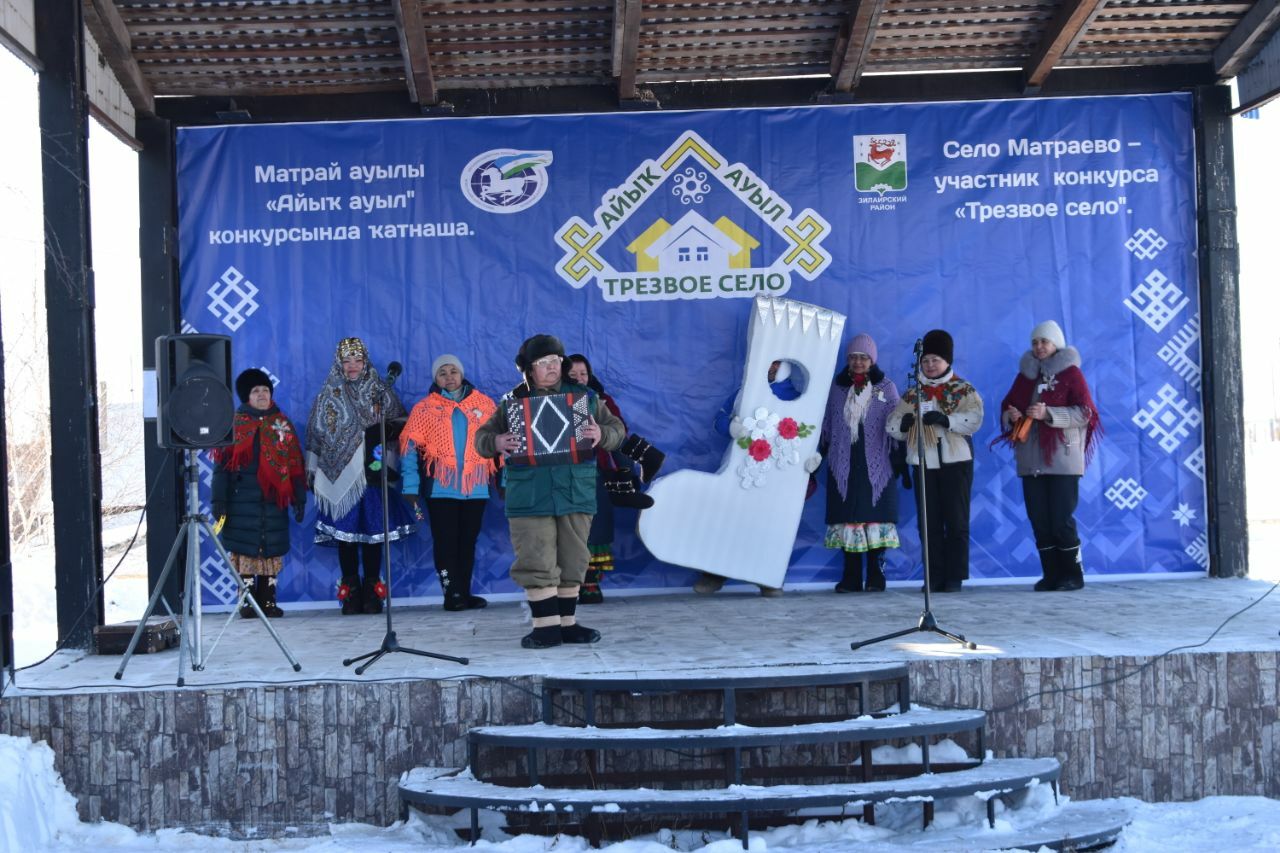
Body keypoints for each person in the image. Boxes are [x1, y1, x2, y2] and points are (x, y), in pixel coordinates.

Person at [474, 334, 625, 649]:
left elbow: (617, 431)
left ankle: (567, 625)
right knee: (536, 559)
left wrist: (603, 433)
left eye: (556, 361)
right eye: (544, 363)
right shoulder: (512, 402)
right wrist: (498, 443)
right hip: (530, 495)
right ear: (529, 369)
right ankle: (545, 627)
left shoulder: (586, 398)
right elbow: (482, 438)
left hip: (575, 491)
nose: (552, 368)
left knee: (574, 559)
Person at [305, 337, 415, 615]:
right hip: (338, 475)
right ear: (338, 364)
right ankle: (350, 591)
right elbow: (315, 435)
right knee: (346, 537)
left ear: (365, 362)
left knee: (373, 534)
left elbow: (403, 422)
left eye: (357, 360)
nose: (352, 366)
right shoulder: (327, 394)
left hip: (372, 475)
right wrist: (312, 469)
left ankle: (372, 591)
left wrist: (384, 431)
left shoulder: (380, 391)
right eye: (346, 361)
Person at [996, 320, 1101, 592]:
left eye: (1045, 341)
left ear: (1057, 344)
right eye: (1035, 342)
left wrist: (1049, 414)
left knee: (1060, 518)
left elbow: (1085, 413)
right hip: (1031, 460)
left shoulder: (1071, 374)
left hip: (1062, 459)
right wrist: (1012, 415)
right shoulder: (1025, 376)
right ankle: (1052, 574)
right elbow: (1008, 406)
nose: (1039, 347)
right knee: (1039, 520)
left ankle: (1073, 575)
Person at [886, 329, 984, 593]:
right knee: (928, 522)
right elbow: (892, 426)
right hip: (923, 461)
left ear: (947, 362)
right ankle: (933, 575)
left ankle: (954, 576)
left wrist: (947, 421)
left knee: (956, 520)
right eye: (926, 360)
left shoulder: (963, 389)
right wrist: (905, 424)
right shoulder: (912, 393)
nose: (930, 365)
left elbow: (975, 419)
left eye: (935, 360)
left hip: (956, 462)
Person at [400, 354, 499, 612]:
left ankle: (464, 592)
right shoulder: (425, 408)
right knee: (445, 542)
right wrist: (410, 486)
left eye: (453, 371)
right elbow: (409, 449)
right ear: (436, 379)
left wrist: (506, 480)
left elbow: (500, 444)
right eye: (442, 373)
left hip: (476, 486)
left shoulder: (484, 405)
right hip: (441, 487)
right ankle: (451, 592)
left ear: (462, 374)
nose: (449, 377)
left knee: (468, 541)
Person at [697, 359, 798, 597]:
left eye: (777, 365)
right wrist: (731, 426)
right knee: (728, 518)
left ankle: (768, 578)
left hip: (773, 472)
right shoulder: (745, 390)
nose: (771, 368)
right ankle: (715, 574)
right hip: (740, 466)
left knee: (768, 525)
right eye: (769, 363)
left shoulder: (796, 397)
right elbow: (719, 420)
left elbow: (808, 432)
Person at [211, 369, 307, 618]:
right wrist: (219, 500)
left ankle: (268, 602)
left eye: (265, 390)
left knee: (270, 552)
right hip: (241, 503)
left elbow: (296, 464)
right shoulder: (234, 426)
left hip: (273, 502)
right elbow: (221, 469)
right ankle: (247, 603)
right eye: (256, 391)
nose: (262, 394)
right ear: (246, 397)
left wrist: (299, 497)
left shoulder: (282, 425)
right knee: (245, 552)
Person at [819, 334, 905, 593]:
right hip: (843, 461)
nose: (858, 362)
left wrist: (900, 461)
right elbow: (827, 423)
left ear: (872, 360)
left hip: (877, 462)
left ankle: (876, 576)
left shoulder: (886, 388)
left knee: (875, 519)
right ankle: (851, 577)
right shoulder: (836, 387)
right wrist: (819, 454)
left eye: (863, 357)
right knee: (849, 518)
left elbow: (898, 423)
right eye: (853, 357)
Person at [565, 354, 626, 604]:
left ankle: (591, 582)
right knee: (569, 529)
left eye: (583, 374)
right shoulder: (556, 400)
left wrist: (601, 433)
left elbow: (619, 431)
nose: (580, 379)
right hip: (563, 474)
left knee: (595, 527)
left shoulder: (600, 400)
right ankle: (570, 584)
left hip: (594, 472)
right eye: (573, 375)